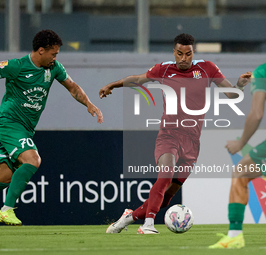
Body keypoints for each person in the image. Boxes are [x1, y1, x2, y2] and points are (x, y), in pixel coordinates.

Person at [0, 29, 103, 235]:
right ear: (41, 50)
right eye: (53, 54)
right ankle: (7, 210)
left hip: (25, 130)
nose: (55, 58)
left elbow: (73, 87)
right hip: (10, 124)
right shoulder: (16, 66)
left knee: (2, 178)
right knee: (33, 160)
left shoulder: (54, 68)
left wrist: (89, 104)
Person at [99, 33, 251, 234]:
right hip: (169, 135)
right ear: (174, 52)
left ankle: (129, 217)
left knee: (168, 195)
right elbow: (138, 79)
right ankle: (148, 225)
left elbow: (231, 94)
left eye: (188, 54)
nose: (184, 58)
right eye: (180, 54)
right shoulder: (164, 69)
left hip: (192, 143)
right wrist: (113, 85)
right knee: (166, 173)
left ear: (193, 52)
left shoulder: (207, 68)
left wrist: (240, 84)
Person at [209, 28, 266, 249]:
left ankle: (235, 235)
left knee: (240, 172)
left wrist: (241, 143)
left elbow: (256, 114)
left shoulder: (264, 72)